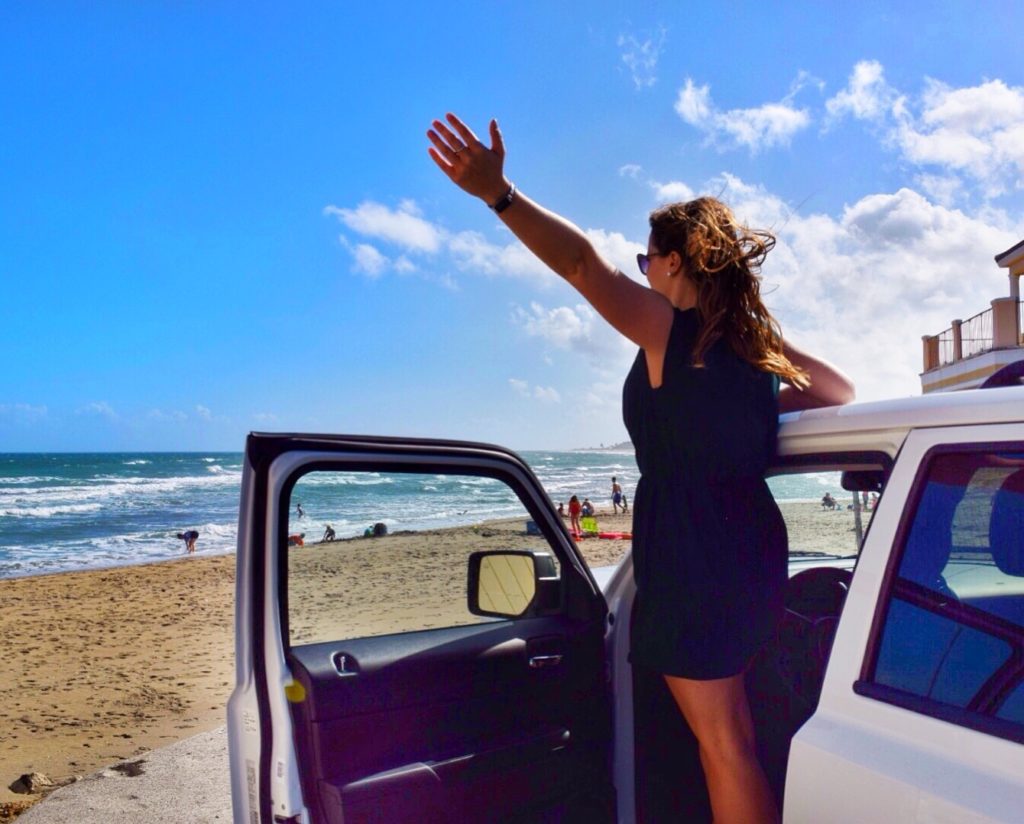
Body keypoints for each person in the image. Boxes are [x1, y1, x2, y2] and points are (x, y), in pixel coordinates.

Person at [427, 112, 855, 823]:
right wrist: (756, 343)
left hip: (692, 564)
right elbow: (839, 392)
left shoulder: (668, 330)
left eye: (647, 260)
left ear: (675, 263)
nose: (640, 271)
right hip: (750, 556)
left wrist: (499, 196)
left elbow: (580, 265)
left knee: (725, 746)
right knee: (735, 734)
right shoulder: (750, 354)